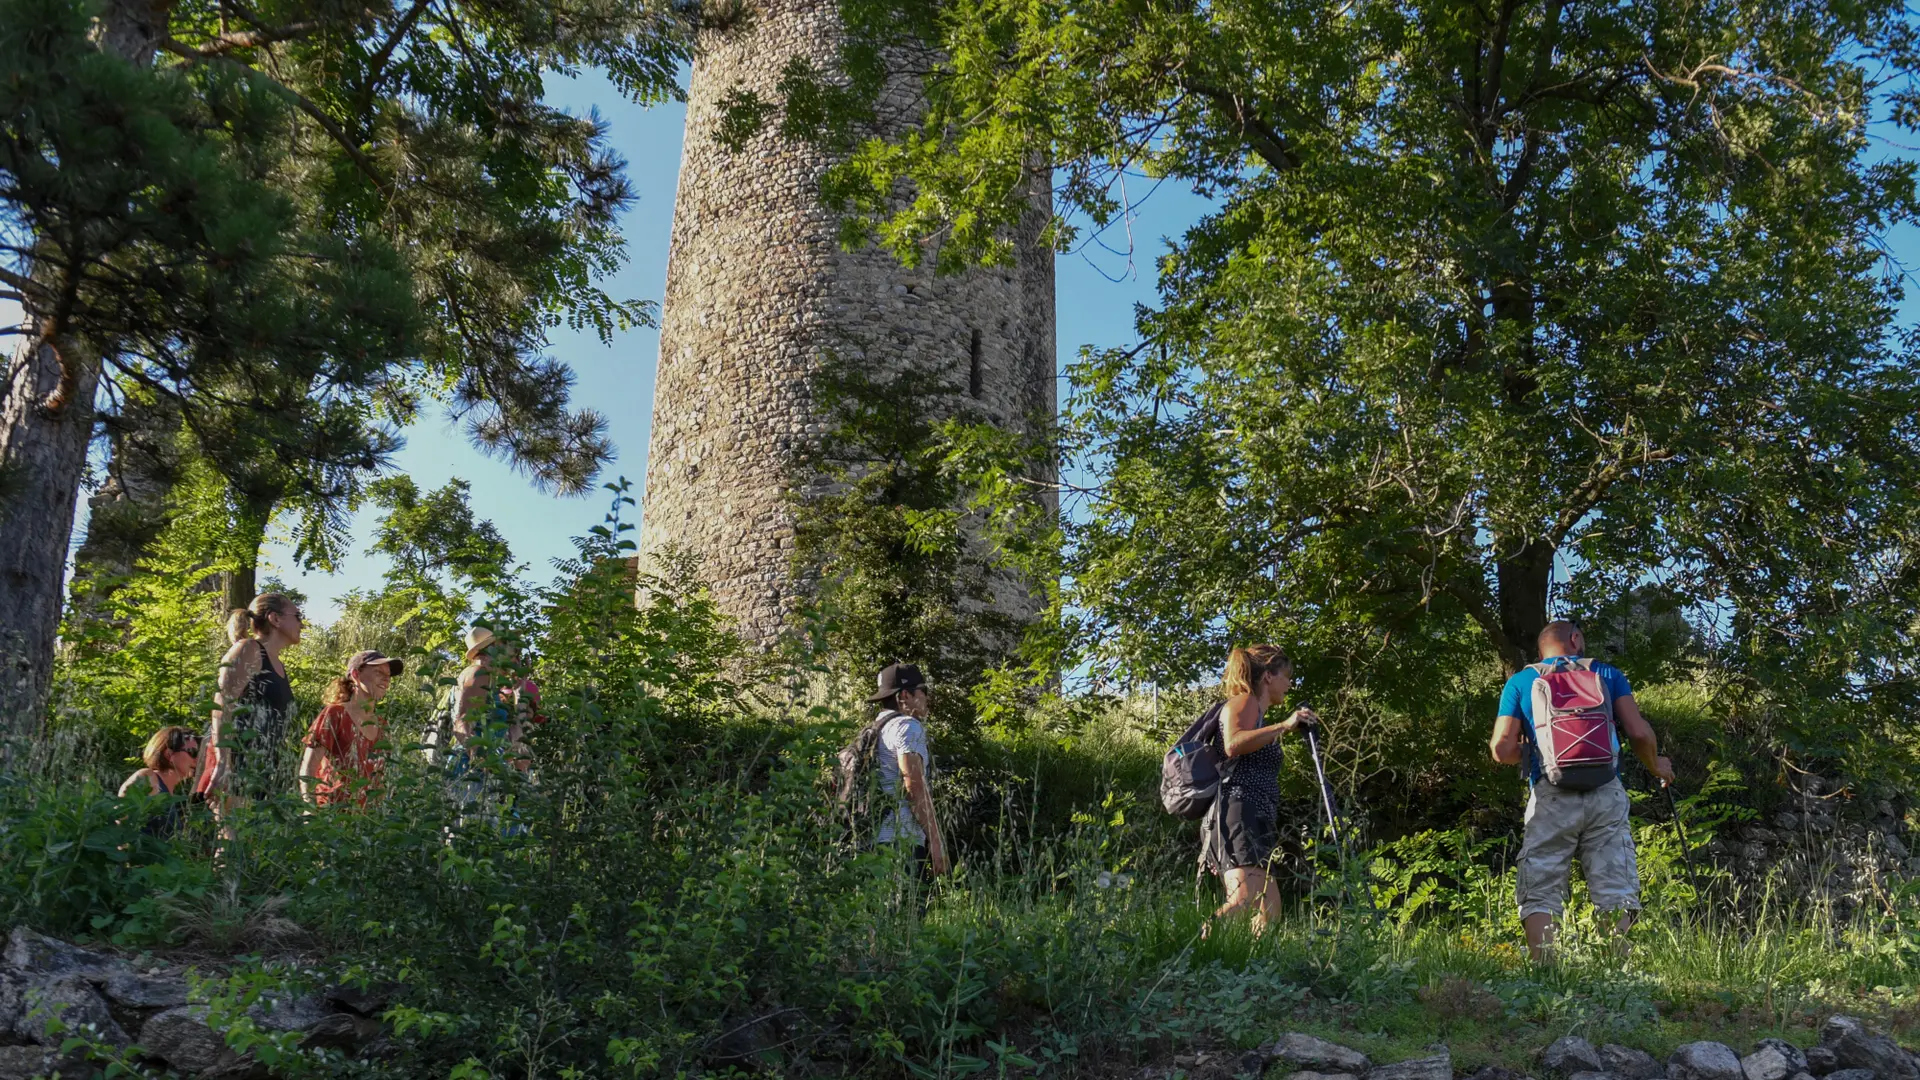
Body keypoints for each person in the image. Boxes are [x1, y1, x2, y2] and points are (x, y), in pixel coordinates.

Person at [1489, 620, 1675, 963]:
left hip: (1550, 794)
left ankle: (1546, 971)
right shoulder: (1608, 674)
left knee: (1541, 882)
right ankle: (1615, 969)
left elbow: (1501, 750)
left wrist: (1533, 754)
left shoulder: (1521, 681)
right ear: (1575, 639)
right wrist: (1656, 766)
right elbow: (1639, 734)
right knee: (1613, 881)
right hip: (1605, 792)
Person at [1200, 644, 1318, 935]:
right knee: (1244, 899)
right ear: (1268, 676)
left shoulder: (1258, 714)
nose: (1289, 684)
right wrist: (1286, 725)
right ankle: (1192, 961)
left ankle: (1252, 974)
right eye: (1286, 676)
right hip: (1239, 812)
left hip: (1249, 813)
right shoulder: (1245, 701)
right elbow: (1233, 743)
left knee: (1269, 906)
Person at [199, 593, 303, 812]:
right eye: (297, 615)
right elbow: (222, 704)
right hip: (235, 760)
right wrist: (223, 763)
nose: (302, 623)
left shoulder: (278, 664)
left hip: (261, 764)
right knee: (230, 840)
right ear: (275, 619)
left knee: (254, 842)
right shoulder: (248, 649)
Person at [868, 663, 950, 880]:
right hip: (901, 842)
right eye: (924, 691)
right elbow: (913, 787)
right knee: (908, 910)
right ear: (905, 695)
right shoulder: (907, 726)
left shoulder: (875, 729)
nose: (927, 698)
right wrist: (934, 839)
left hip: (871, 841)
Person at [297, 651, 401, 808]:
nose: (386, 679)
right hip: (330, 813)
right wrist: (309, 808)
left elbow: (380, 779)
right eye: (378, 672)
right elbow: (309, 766)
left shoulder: (382, 725)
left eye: (388, 675)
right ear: (355, 674)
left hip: (366, 820)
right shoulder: (335, 714)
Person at [118, 726, 202, 838]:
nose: (197, 760)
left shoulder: (171, 793)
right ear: (169, 754)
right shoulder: (148, 777)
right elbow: (121, 818)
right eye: (192, 752)